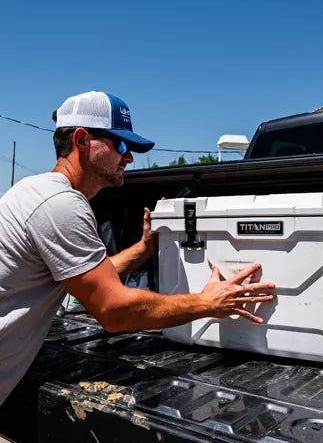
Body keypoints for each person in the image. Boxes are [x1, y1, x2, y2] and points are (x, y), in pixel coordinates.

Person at [0, 90, 276, 408]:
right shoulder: (61, 204)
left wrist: (144, 249)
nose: (128, 157)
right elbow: (114, 310)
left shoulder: (33, 190)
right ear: (81, 140)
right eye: (120, 144)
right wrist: (206, 303)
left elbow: (88, 278)